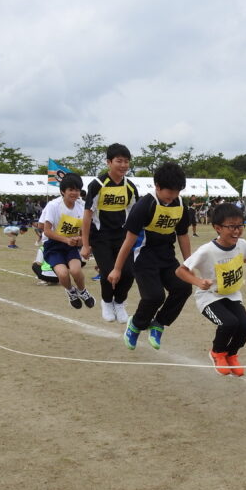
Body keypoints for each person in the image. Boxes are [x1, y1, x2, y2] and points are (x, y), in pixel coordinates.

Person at [177, 203, 246, 376]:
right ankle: (217, 353)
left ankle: (231, 354)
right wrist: (198, 281)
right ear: (217, 228)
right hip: (209, 297)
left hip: (231, 295)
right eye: (231, 227)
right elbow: (180, 271)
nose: (237, 231)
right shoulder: (206, 251)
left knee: (245, 326)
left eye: (240, 226)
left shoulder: (242, 244)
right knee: (229, 323)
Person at [108, 162, 192, 351]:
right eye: (169, 191)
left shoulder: (179, 205)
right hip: (143, 258)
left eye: (177, 191)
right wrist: (117, 268)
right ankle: (136, 325)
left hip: (167, 258)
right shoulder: (145, 205)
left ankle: (158, 323)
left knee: (183, 287)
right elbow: (129, 240)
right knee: (154, 296)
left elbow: (183, 235)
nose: (173, 196)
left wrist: (188, 264)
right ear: (157, 186)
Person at [80, 143, 139, 323]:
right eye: (119, 161)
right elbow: (87, 215)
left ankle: (119, 302)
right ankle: (106, 301)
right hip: (101, 237)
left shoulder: (130, 186)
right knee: (108, 272)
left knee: (128, 273)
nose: (123, 165)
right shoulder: (97, 185)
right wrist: (85, 244)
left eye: (126, 161)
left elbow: (135, 213)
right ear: (108, 162)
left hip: (123, 236)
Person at [41, 173, 95, 310]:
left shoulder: (82, 206)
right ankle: (71, 291)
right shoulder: (53, 205)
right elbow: (46, 231)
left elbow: (85, 230)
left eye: (77, 190)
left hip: (72, 245)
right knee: (63, 273)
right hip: (53, 245)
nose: (74, 193)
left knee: (76, 271)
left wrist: (81, 240)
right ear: (62, 191)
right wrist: (66, 239)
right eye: (71, 189)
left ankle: (83, 291)